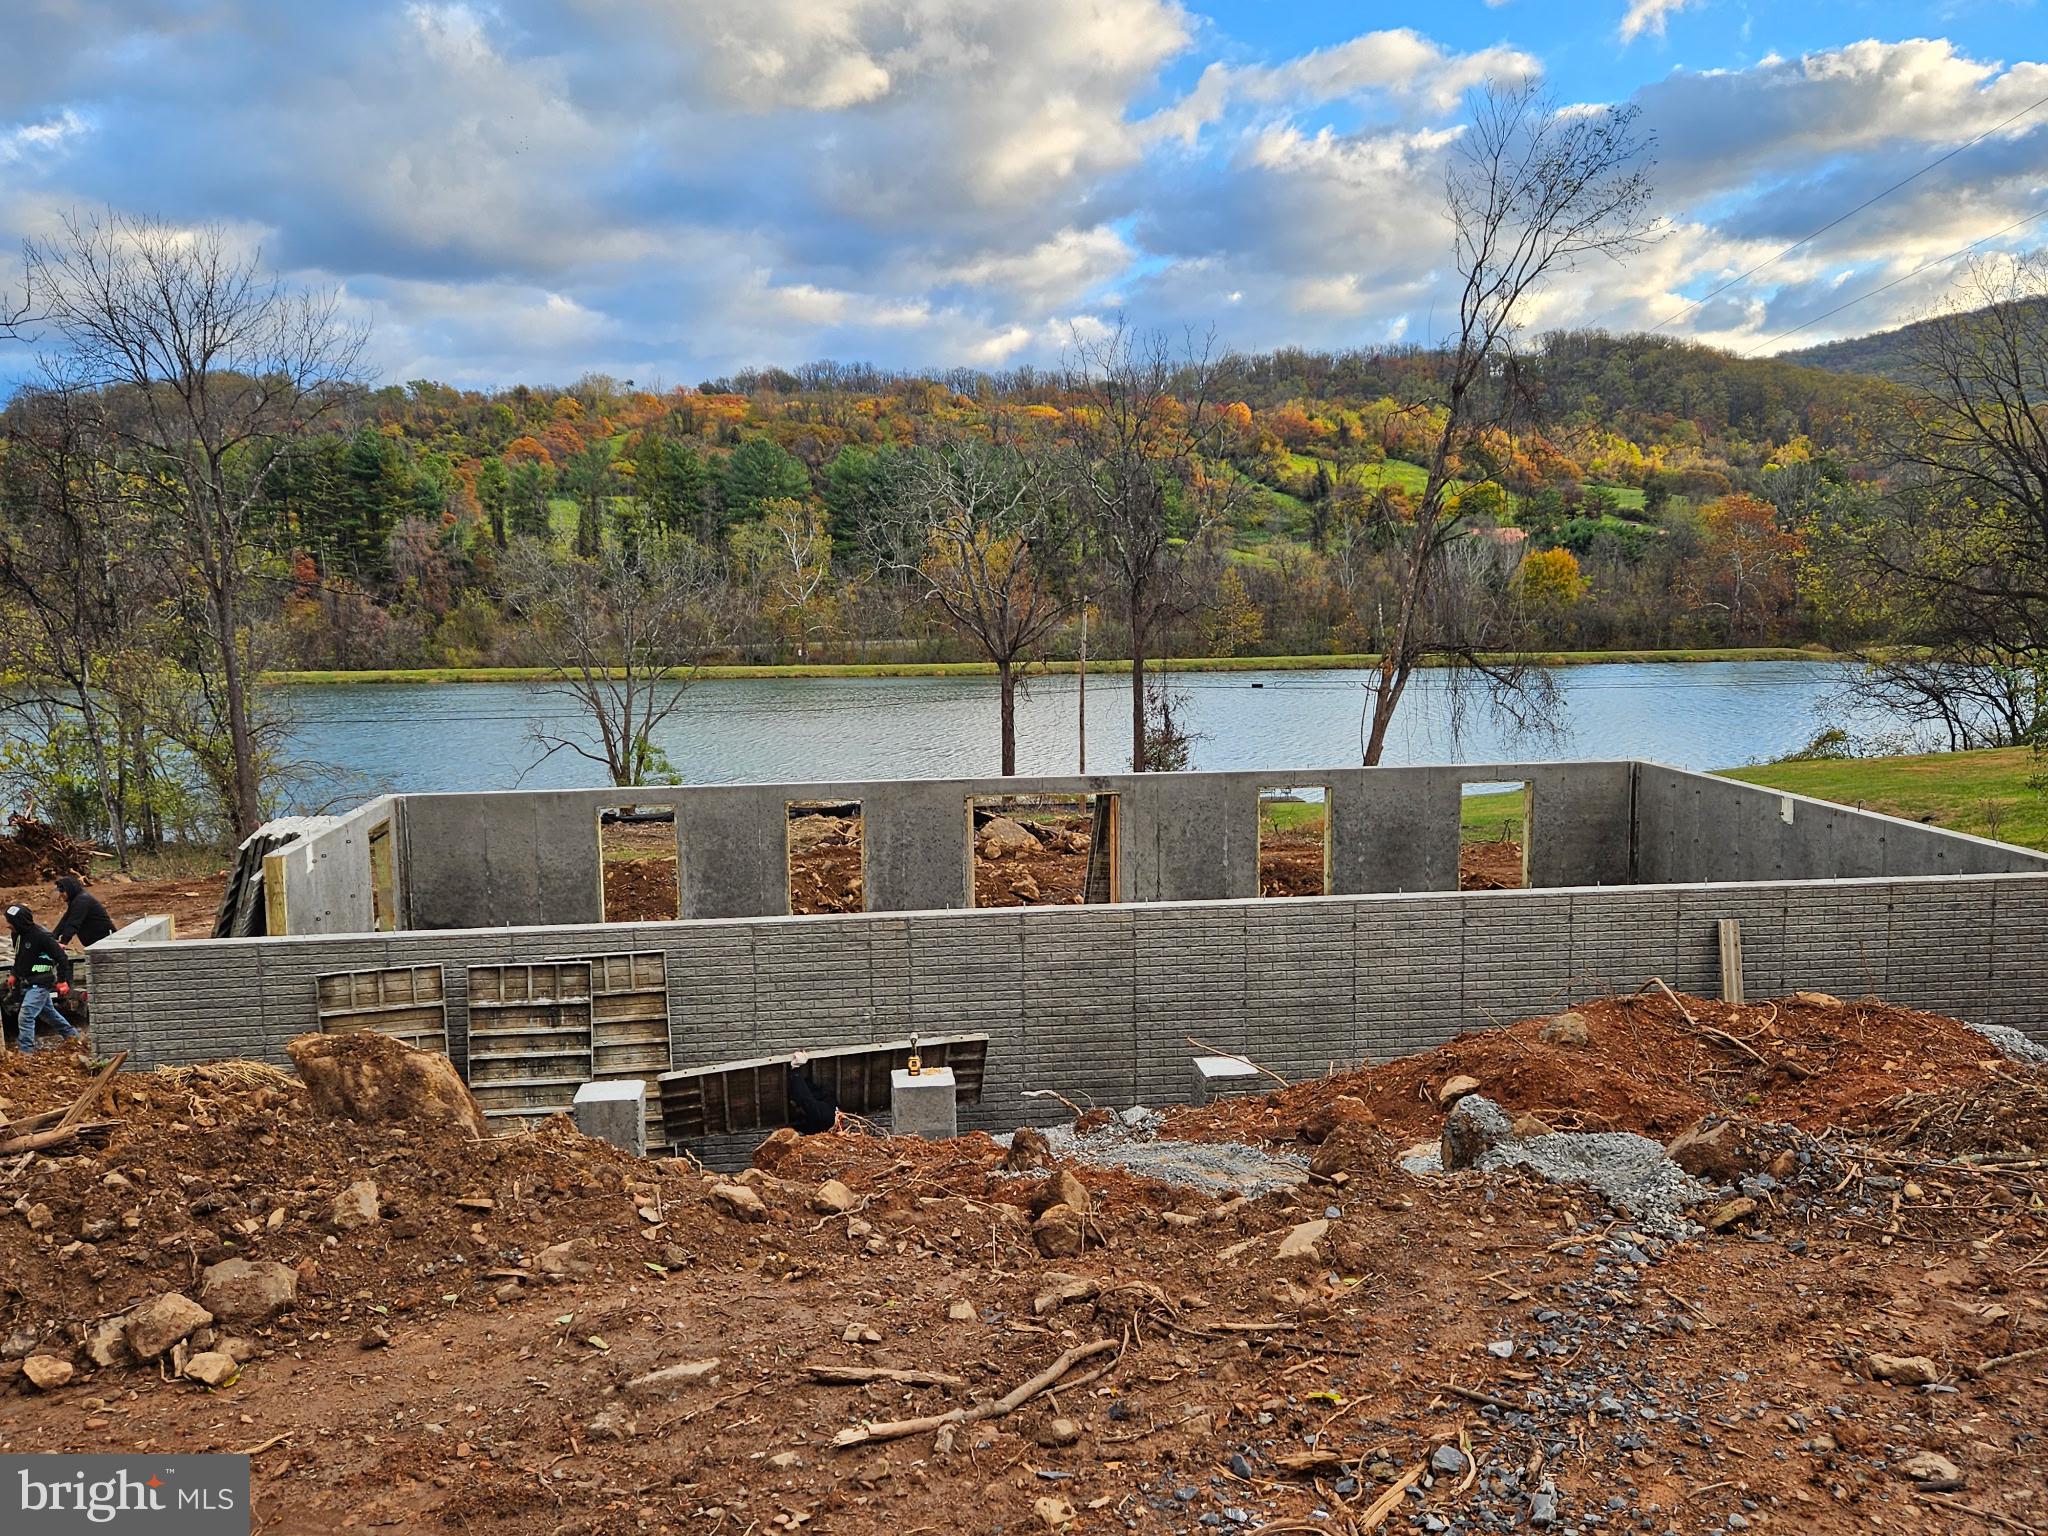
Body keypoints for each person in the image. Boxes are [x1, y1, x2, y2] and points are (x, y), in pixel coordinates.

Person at [6, 903, 79, 1053]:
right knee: (49, 1014)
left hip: (41, 982)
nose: (7, 925)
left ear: (19, 922)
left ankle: (26, 1053)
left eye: (10, 922)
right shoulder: (17, 935)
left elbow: (62, 958)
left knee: (26, 1016)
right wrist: (14, 973)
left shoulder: (41, 936)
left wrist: (62, 980)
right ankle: (74, 1038)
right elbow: (19, 956)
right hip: (27, 980)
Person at [51, 875, 113, 950]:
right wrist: (53, 936)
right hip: (96, 942)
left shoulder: (82, 900)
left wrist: (63, 942)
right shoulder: (76, 900)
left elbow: (74, 923)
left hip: (104, 942)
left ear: (69, 889)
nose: (61, 895)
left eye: (62, 891)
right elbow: (66, 919)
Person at [786, 1051, 842, 1134]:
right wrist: (796, 1070)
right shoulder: (821, 1113)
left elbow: (805, 1098)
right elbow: (805, 1097)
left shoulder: (819, 1113)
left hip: (827, 1115)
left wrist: (795, 1069)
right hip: (827, 1113)